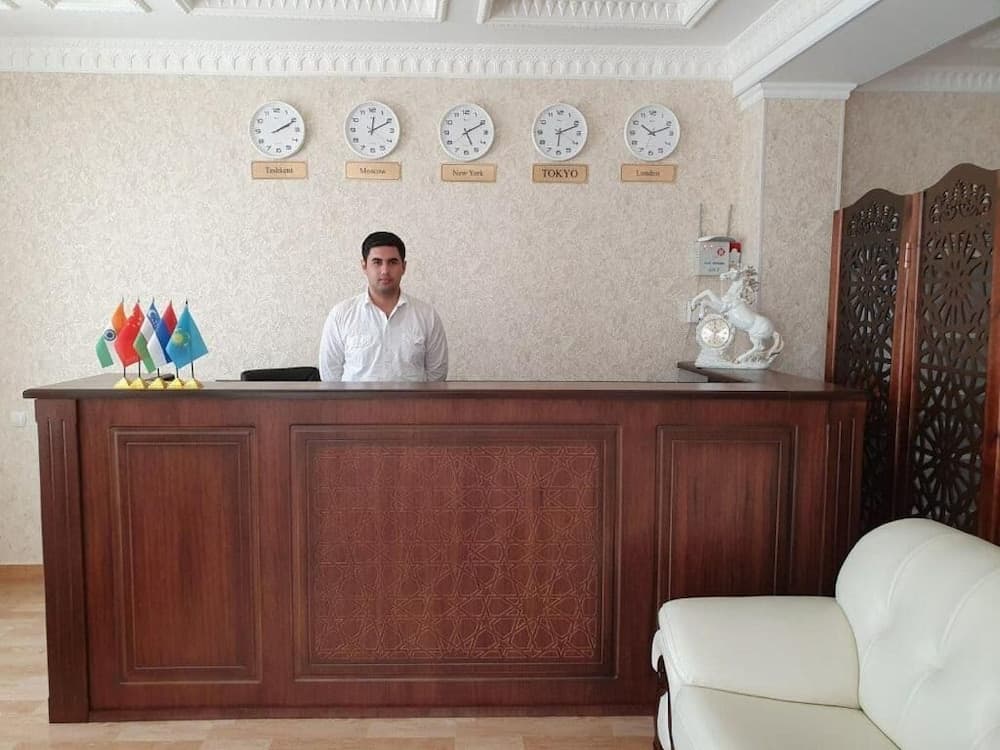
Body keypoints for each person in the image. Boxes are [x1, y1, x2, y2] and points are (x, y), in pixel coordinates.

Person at [319, 231, 448, 382]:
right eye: (377, 262)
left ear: (404, 267)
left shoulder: (427, 315)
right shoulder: (341, 314)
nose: (385, 270)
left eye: (392, 262)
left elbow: (437, 375)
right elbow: (330, 375)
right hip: (356, 399)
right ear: (364, 266)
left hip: (413, 399)